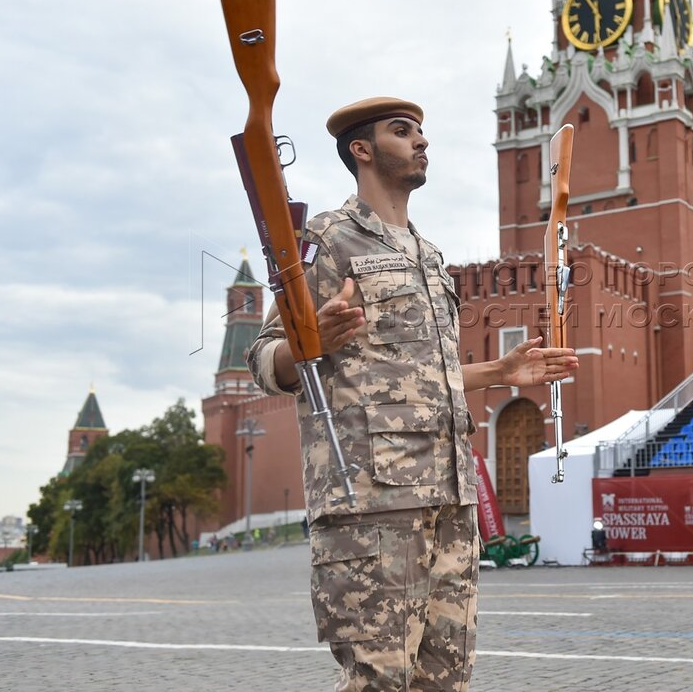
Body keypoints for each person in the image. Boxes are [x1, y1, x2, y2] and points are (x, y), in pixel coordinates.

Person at [246, 96, 578, 691]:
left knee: (445, 680)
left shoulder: (428, 255)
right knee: (379, 681)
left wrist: (501, 370)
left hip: (451, 498)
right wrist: (309, 342)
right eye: (402, 132)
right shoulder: (326, 240)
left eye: (421, 132)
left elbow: (425, 375)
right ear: (362, 150)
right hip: (372, 504)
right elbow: (263, 359)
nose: (421, 141)